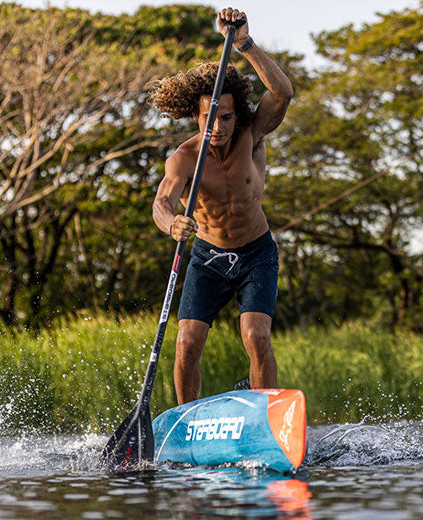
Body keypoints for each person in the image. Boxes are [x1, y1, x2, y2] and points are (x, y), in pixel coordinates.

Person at [149, 7, 293, 405]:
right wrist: (171, 224)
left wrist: (245, 43)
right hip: (208, 257)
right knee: (187, 343)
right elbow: (162, 201)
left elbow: (282, 93)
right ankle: (186, 417)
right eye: (208, 119)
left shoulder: (254, 133)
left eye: (225, 117)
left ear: (237, 114)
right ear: (195, 117)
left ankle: (264, 412)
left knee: (256, 336)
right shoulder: (184, 158)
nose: (217, 127)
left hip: (256, 253)